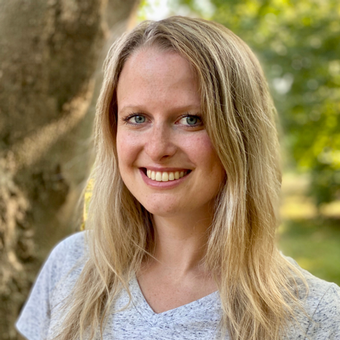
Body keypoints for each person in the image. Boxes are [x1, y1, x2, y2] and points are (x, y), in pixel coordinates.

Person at [16, 16, 340, 340]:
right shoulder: (71, 266)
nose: (157, 148)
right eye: (137, 118)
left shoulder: (316, 316)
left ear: (240, 134)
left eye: (190, 119)